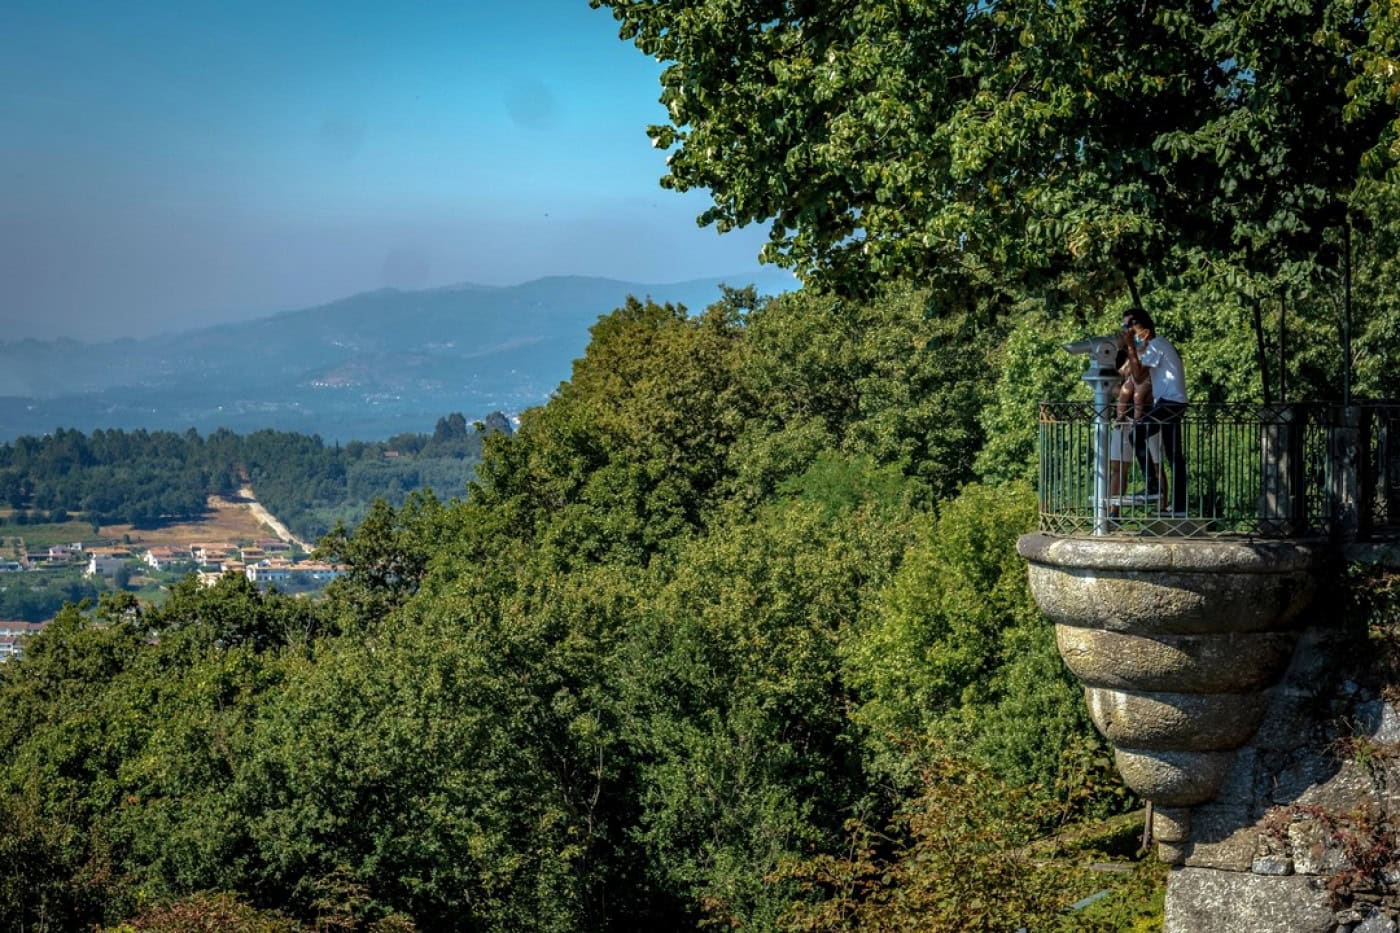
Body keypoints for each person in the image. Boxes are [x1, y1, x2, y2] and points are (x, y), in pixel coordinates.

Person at [1122, 307, 1188, 515]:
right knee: (1174, 455)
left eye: (1130, 329)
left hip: (1169, 403)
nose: (1128, 333)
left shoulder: (1156, 345)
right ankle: (1179, 507)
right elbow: (1139, 376)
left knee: (1137, 434)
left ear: (1145, 331)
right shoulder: (1160, 345)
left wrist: (1131, 347)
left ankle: (1151, 485)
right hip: (1172, 403)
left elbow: (1139, 376)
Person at [1109, 349, 1165, 512]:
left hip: (1148, 420)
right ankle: (1113, 511)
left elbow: (1148, 392)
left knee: (1157, 465)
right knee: (1118, 466)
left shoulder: (1147, 364)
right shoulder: (1121, 361)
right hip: (1125, 420)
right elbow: (1113, 388)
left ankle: (1162, 508)